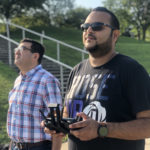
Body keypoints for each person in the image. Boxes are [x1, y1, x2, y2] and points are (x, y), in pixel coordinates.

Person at [43, 7, 150, 150]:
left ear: (115, 35)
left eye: (97, 26)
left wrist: (101, 129)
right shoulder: (76, 70)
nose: (89, 30)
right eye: (85, 27)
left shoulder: (131, 70)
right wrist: (57, 125)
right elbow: (68, 115)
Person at [7, 38, 62, 150]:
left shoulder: (47, 80)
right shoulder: (18, 81)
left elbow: (57, 121)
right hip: (15, 146)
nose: (16, 51)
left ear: (35, 56)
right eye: (16, 48)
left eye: (22, 49)